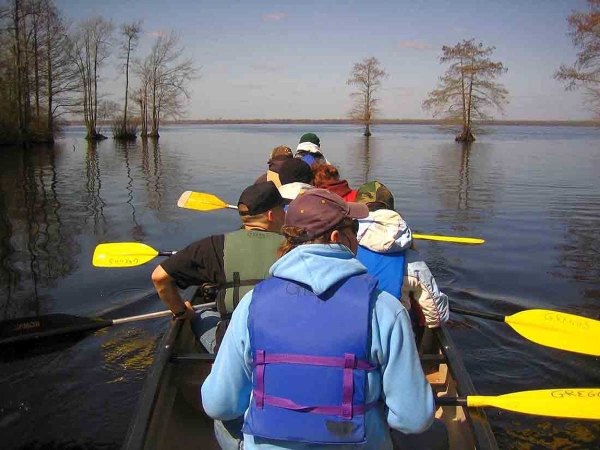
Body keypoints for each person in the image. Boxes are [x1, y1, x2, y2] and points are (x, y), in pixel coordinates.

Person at [201, 188, 435, 450]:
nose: (357, 239)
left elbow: (219, 404)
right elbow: (413, 420)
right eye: (354, 230)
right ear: (338, 238)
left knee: (223, 422)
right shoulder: (385, 309)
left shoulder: (251, 304)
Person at [151, 181, 286, 354]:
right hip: (280, 344)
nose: (285, 214)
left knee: (203, 314)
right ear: (271, 215)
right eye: (282, 209)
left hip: (233, 351)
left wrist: (182, 312)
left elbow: (159, 277)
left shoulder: (214, 246)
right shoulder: (294, 247)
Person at [354, 181, 449, 341]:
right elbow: (435, 314)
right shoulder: (412, 260)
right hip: (394, 340)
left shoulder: (344, 247)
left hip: (351, 335)